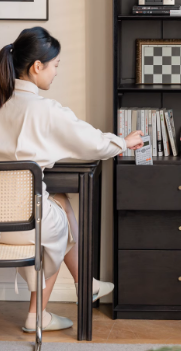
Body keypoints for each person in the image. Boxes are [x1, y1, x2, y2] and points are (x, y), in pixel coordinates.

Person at [0, 26, 144, 332]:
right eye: (54, 66)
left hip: (2, 223)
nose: (55, 73)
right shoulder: (44, 111)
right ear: (37, 66)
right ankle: (40, 313)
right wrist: (123, 142)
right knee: (61, 221)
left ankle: (85, 283)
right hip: (27, 227)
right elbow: (89, 142)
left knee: (60, 201)